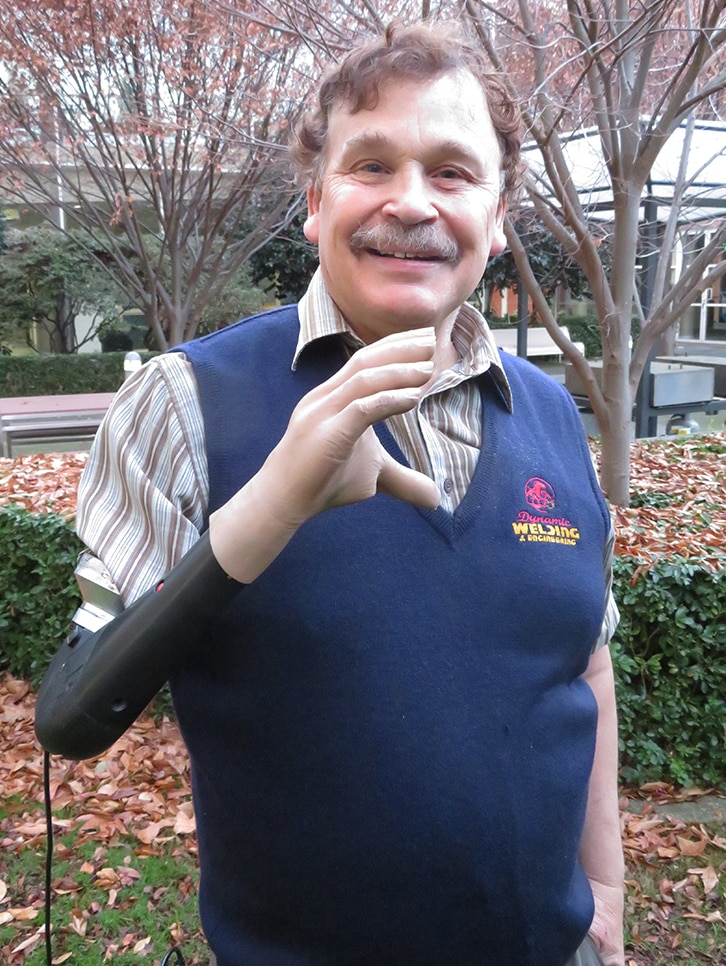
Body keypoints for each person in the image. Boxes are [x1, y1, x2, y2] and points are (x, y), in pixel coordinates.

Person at [37, 21, 625, 966]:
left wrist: (606, 895)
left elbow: (584, 664)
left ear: (501, 212)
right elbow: (69, 717)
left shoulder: (556, 417)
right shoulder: (186, 402)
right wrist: (274, 500)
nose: (411, 203)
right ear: (315, 202)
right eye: (372, 166)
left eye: (452, 172)